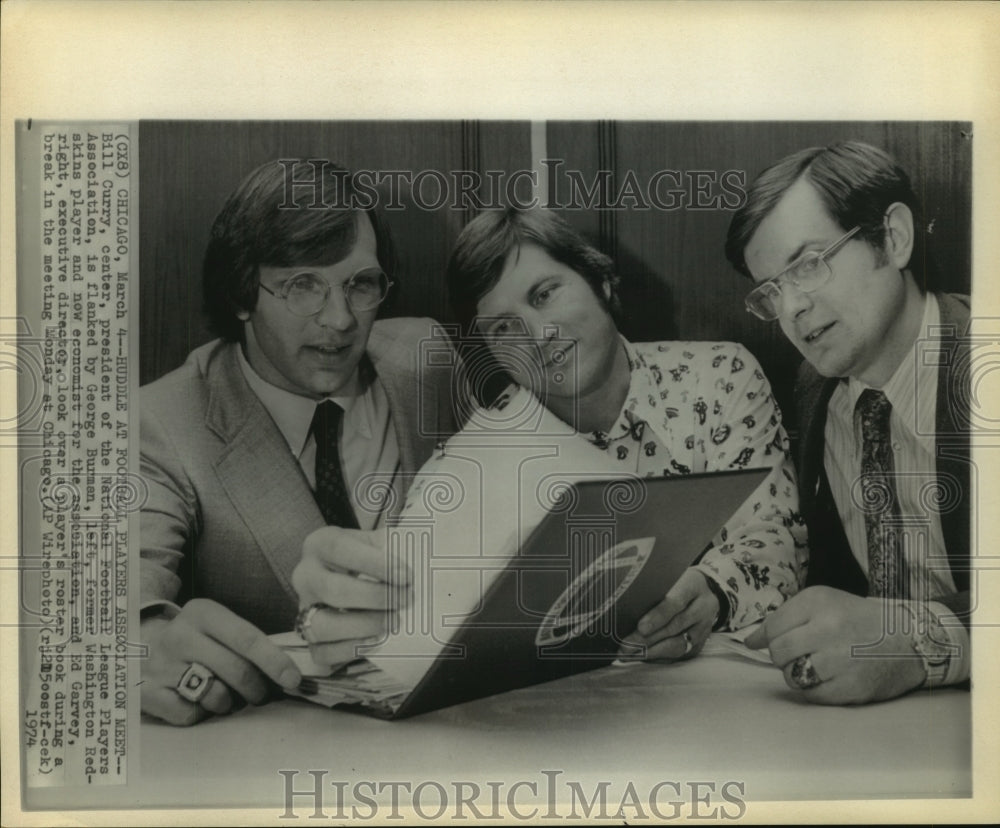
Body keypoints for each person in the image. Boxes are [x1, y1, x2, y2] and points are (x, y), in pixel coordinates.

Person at [294, 207, 807, 672]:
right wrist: (340, 613)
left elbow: (777, 541)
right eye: (503, 329)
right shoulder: (478, 456)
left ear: (602, 282)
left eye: (545, 295)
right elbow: (403, 602)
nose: (538, 336)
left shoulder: (719, 376)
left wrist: (712, 592)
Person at [139, 159, 458, 725]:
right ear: (242, 296)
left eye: (360, 284)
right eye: (302, 285)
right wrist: (141, 642)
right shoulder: (161, 422)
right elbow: (117, 586)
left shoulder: (427, 359)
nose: (340, 319)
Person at [725, 140, 971, 704]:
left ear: (894, 238)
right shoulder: (817, 393)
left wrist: (916, 640)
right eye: (771, 291)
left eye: (808, 265)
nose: (790, 310)